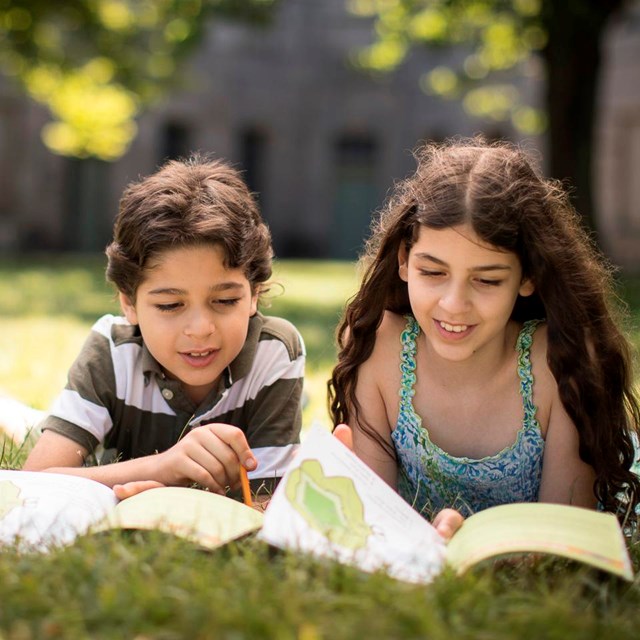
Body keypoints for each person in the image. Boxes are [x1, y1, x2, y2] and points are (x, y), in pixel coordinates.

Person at [329, 137, 640, 523]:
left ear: (527, 276)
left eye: (487, 280)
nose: (454, 304)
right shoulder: (380, 346)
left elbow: (561, 541)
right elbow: (371, 522)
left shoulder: (562, 361)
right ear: (405, 261)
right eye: (433, 272)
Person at [23, 155, 304, 502]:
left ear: (253, 295)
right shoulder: (111, 353)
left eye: (226, 301)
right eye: (170, 305)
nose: (201, 329)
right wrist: (163, 468)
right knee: (31, 427)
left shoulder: (273, 351)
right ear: (129, 303)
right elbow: (33, 484)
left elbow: (266, 505)